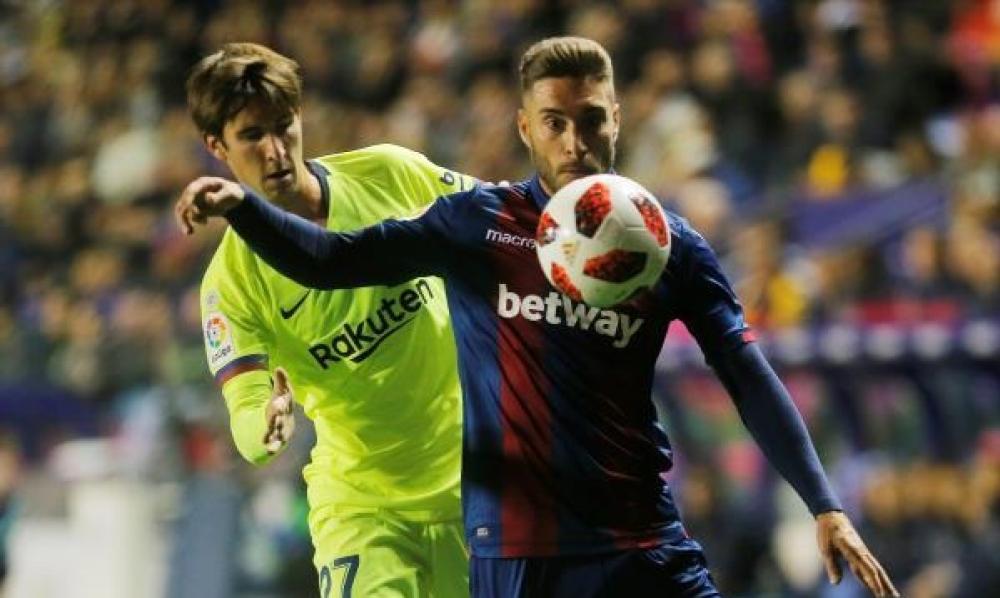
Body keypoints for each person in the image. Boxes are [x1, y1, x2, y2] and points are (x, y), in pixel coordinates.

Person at [177, 37, 898, 598]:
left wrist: (824, 502)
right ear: (526, 127)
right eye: (555, 122)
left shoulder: (665, 244)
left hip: (624, 534)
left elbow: (745, 369)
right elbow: (329, 264)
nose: (574, 141)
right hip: (439, 526)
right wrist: (243, 216)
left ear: (618, 119)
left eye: (591, 119)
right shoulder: (477, 227)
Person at [182, 42, 473, 597]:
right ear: (216, 145)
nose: (275, 150)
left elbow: (501, 224)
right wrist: (266, 423)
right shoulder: (230, 284)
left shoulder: (391, 174)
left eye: (283, 126)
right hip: (363, 509)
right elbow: (245, 415)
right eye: (252, 135)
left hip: (478, 485)